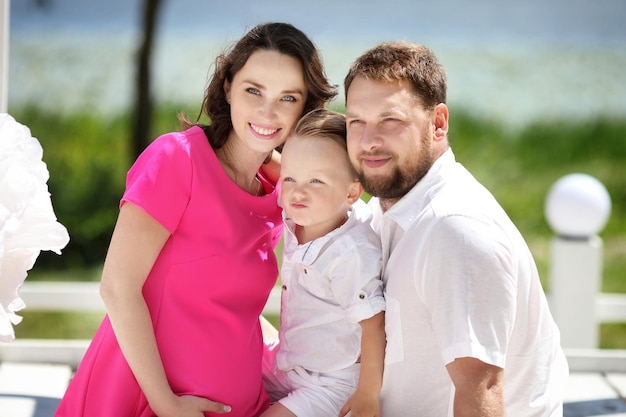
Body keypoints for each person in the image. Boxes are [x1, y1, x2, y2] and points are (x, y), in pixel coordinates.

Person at [54, 22, 337, 417]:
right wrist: (166, 404)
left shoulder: (280, 193)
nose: (267, 111)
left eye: (287, 98)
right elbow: (117, 288)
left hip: (243, 405)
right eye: (253, 90)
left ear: (304, 108)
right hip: (148, 402)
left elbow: (233, 310)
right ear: (227, 87)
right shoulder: (178, 160)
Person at [344, 42, 569, 416]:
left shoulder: (453, 229)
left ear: (438, 123)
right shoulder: (392, 206)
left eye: (390, 120)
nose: (369, 141)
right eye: (356, 121)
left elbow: (482, 391)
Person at [260, 109, 386, 417]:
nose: (298, 191)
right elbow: (285, 169)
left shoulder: (349, 253)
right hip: (288, 360)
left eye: (316, 180)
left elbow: (374, 325)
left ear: (352, 192)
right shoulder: (303, 208)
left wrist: (367, 396)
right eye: (290, 178)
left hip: (330, 383)